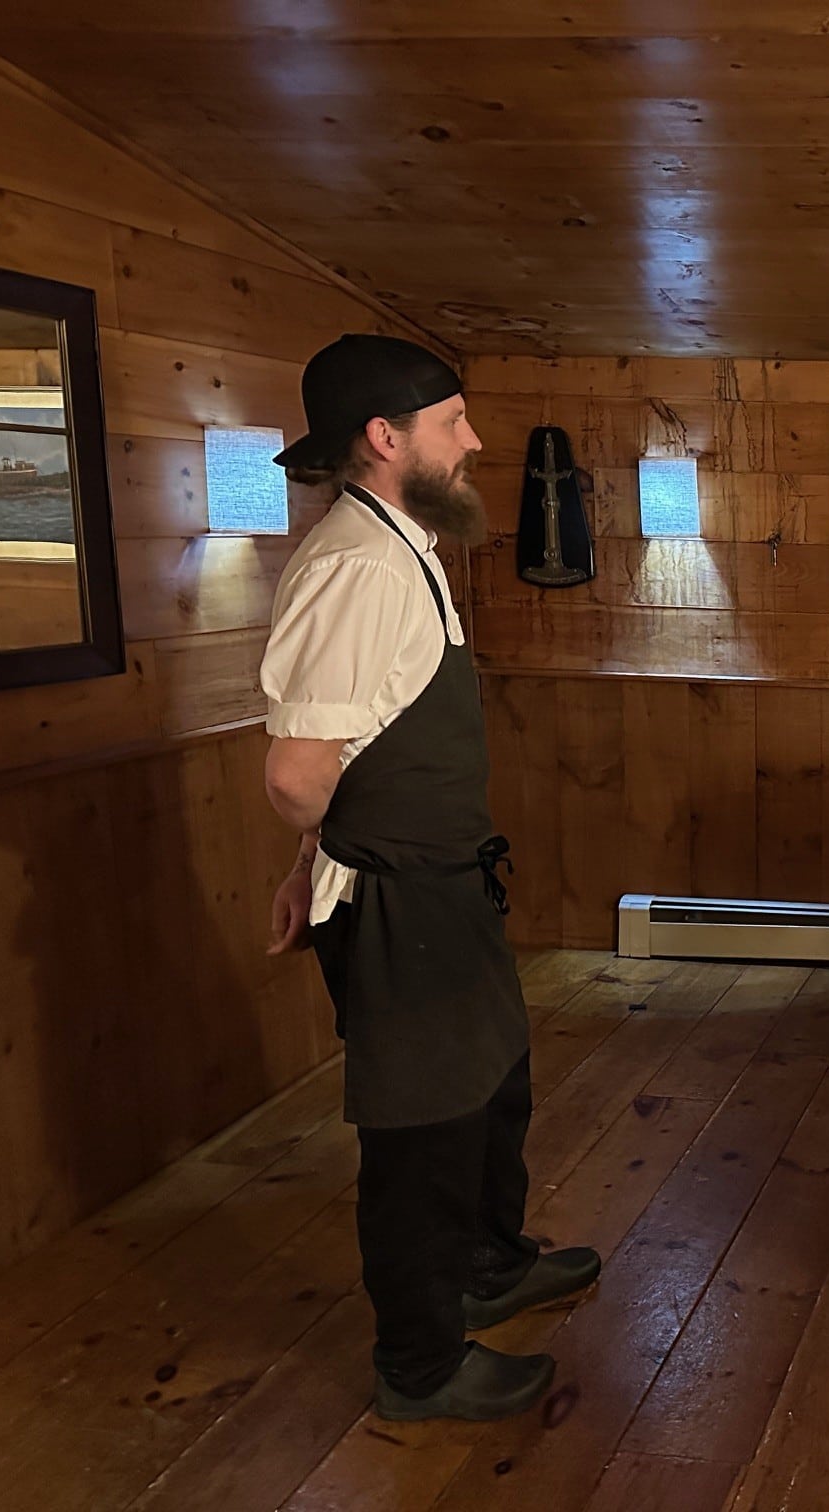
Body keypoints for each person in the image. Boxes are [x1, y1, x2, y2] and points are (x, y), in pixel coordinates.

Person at [260, 334, 600, 1422]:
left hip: (444, 891)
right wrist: (326, 853)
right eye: (453, 421)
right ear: (384, 436)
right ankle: (420, 1362)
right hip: (397, 903)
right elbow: (299, 772)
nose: (476, 440)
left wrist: (310, 857)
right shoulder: (358, 569)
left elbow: (355, 744)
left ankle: (487, 1267)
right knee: (421, 1136)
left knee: (494, 1084)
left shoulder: (400, 546)